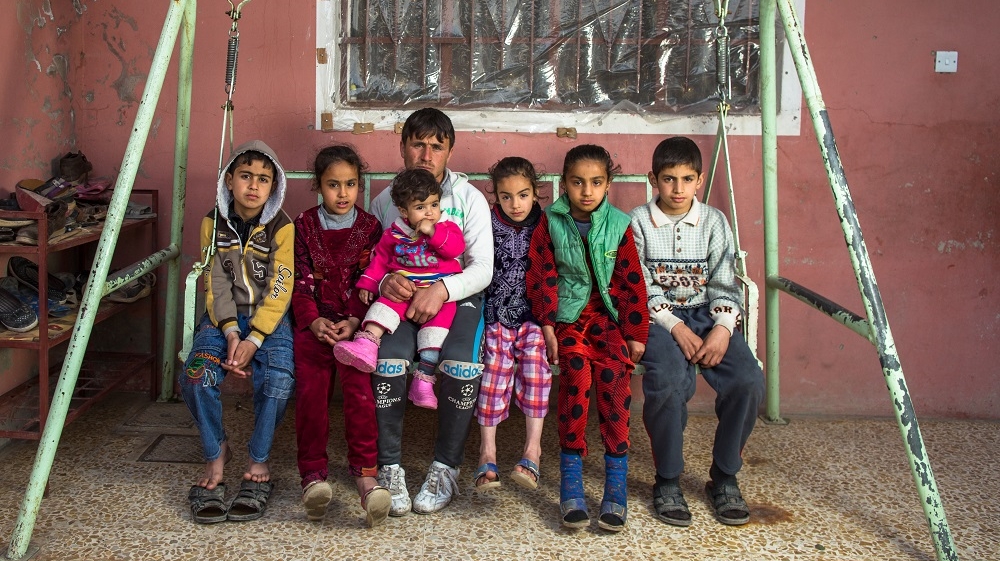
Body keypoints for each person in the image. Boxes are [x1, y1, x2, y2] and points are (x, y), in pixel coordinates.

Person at [630, 136, 764, 527]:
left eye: (687, 179)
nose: (677, 189)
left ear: (699, 180)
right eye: (668, 179)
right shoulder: (639, 221)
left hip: (708, 312)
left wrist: (722, 329)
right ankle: (667, 478)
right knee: (669, 383)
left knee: (748, 381)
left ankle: (724, 475)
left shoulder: (714, 221)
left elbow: (725, 283)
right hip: (659, 317)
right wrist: (674, 326)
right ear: (653, 178)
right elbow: (640, 285)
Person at [366, 108, 493, 516]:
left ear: (449, 151)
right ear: (403, 146)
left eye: (436, 146)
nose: (426, 154)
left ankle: (445, 467)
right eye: (417, 144)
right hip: (401, 300)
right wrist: (386, 284)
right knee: (388, 360)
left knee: (459, 363)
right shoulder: (385, 200)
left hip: (457, 298)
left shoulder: (469, 198)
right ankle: (389, 467)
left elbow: (483, 269)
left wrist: (441, 289)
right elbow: (377, 257)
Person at [526, 144, 649, 532]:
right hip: (568, 316)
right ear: (563, 184)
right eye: (577, 182)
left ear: (608, 184)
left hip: (607, 317)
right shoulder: (551, 221)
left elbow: (631, 282)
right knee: (576, 376)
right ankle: (571, 478)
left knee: (615, 378)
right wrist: (547, 325)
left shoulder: (619, 224)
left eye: (596, 182)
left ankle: (616, 482)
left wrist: (635, 333)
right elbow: (541, 276)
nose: (586, 191)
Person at [181, 140, 294, 524]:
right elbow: (215, 283)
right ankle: (216, 451)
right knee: (197, 376)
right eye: (245, 176)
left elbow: (282, 286)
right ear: (229, 180)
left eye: (263, 179)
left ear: (273, 186)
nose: (253, 185)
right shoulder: (213, 223)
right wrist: (231, 333)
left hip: (268, 322)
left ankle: (258, 458)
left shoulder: (282, 227)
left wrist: (254, 338)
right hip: (222, 319)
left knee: (278, 380)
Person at [291, 145, 391, 527]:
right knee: (311, 394)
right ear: (318, 186)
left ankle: (367, 477)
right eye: (333, 185)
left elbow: (373, 280)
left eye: (350, 184)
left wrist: (355, 319)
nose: (343, 193)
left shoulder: (370, 228)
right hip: (314, 328)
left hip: (355, 329)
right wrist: (313, 321)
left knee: (360, 395)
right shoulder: (302, 226)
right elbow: (298, 281)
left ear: (359, 185)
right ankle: (313, 475)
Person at [334, 168, 466, 410]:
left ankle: (423, 384)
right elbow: (381, 260)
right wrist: (369, 283)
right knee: (383, 306)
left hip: (438, 297)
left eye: (434, 204)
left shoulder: (446, 227)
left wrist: (432, 232)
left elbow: (454, 249)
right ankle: (367, 346)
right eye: (420, 207)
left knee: (434, 335)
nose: (430, 212)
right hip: (404, 290)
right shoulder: (395, 233)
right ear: (404, 211)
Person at [474, 157, 552, 492]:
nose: (515, 204)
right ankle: (486, 450)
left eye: (523, 195)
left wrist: (549, 322)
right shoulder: (488, 223)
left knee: (536, 370)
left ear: (536, 192)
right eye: (506, 196)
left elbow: (553, 273)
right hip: (495, 314)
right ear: (496, 197)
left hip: (535, 316)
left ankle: (532, 451)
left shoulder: (546, 225)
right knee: (493, 371)